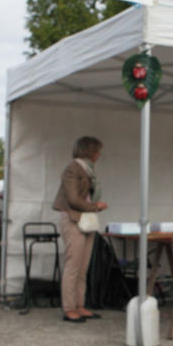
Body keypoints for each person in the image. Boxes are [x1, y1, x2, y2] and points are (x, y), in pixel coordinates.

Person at [52, 136, 108, 323]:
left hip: (86, 220)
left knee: (83, 266)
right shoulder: (73, 168)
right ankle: (69, 308)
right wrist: (96, 206)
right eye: (97, 151)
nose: (99, 155)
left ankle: (80, 305)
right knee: (73, 265)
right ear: (90, 151)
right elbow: (73, 199)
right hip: (73, 219)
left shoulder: (88, 169)